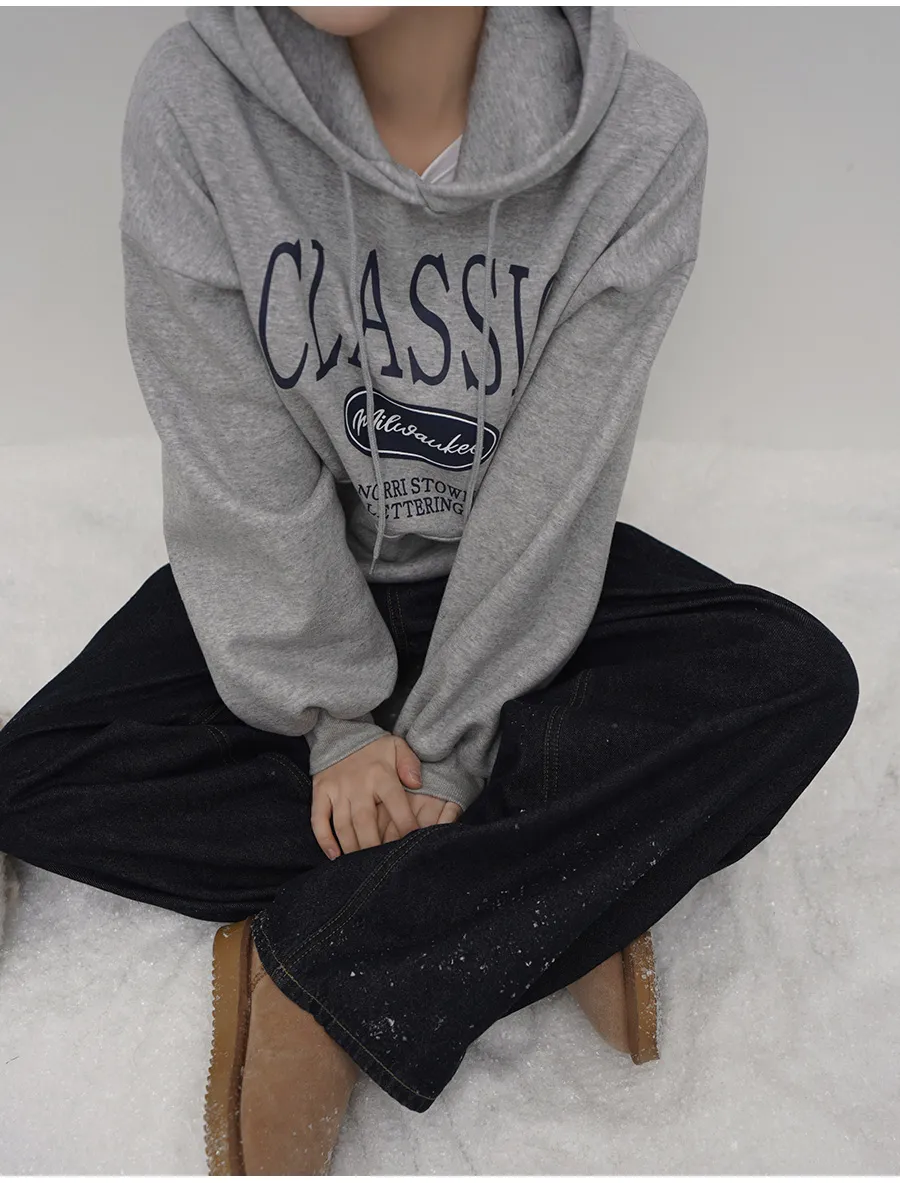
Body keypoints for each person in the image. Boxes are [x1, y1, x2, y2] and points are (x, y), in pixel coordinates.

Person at [0, 5, 859, 1176]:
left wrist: (447, 747)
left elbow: (556, 483)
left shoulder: (640, 136)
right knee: (33, 777)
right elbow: (226, 445)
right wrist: (330, 720)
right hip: (298, 567)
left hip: (514, 582)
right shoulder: (195, 96)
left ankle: (330, 970)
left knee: (792, 681)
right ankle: (562, 882)